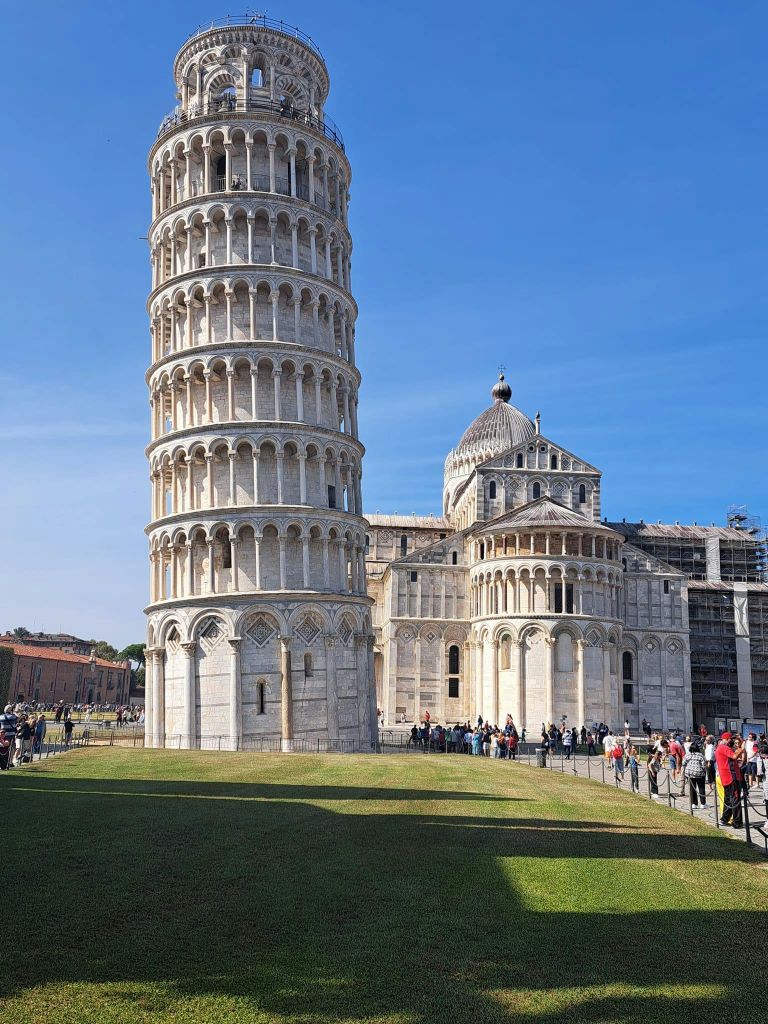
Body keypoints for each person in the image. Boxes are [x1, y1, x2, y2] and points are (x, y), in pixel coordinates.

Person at [716, 733, 744, 828]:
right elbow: (734, 756)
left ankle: (724, 819)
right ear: (727, 739)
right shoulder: (724, 747)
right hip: (731, 776)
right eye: (730, 739)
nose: (732, 741)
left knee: (728, 799)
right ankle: (737, 822)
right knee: (735, 799)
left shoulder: (720, 747)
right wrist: (742, 748)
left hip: (726, 776)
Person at [682, 740, 707, 807]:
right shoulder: (701, 756)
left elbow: (683, 763)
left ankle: (694, 803)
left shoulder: (687, 755)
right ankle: (703, 803)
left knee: (692, 788)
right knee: (701, 788)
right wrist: (704, 771)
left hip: (690, 774)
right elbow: (704, 765)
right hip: (699, 774)